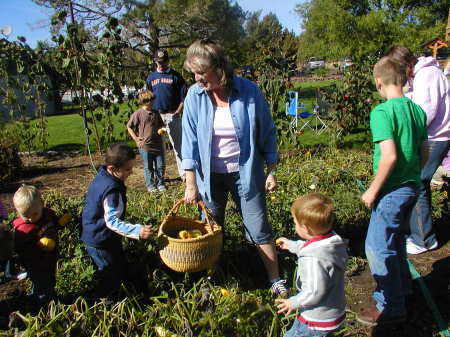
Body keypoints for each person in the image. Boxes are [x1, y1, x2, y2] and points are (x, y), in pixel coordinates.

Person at [182, 39, 287, 295]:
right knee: (210, 228)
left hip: (246, 173)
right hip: (210, 176)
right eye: (193, 72)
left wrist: (271, 170)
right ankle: (210, 278)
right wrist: (191, 183)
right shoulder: (195, 95)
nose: (196, 78)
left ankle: (275, 279)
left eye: (201, 72)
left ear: (219, 68)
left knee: (258, 225)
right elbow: (190, 140)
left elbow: (267, 132)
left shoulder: (249, 91)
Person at [357, 57, 428, 326]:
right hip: (412, 187)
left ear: (379, 82)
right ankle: (404, 289)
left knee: (376, 247)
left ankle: (390, 305)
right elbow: (424, 151)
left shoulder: (382, 113)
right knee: (396, 241)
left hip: (391, 192)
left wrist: (373, 191)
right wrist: (414, 176)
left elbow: (389, 157)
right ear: (404, 79)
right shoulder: (417, 110)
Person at [385, 46, 450, 254]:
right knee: (416, 182)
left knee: (418, 183)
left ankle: (423, 239)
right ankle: (415, 231)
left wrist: (405, 132)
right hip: (429, 136)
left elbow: (424, 112)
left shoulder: (428, 75)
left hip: (434, 137)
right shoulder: (421, 75)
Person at [81, 143, 155, 298]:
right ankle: (106, 301)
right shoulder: (112, 190)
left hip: (100, 234)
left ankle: (125, 287)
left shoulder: (103, 176)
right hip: (100, 240)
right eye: (127, 169)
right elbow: (112, 222)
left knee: (118, 265)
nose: (131, 172)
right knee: (109, 275)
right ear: (112, 169)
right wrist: (138, 231)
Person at [275, 193, 348, 337]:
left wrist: (294, 302)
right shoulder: (332, 242)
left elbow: (314, 291)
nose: (294, 225)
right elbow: (313, 245)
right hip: (333, 311)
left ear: (306, 229)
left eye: (295, 223)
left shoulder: (313, 260)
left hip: (315, 320)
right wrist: (292, 245)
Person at [12, 185, 59, 304]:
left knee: (49, 279)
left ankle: (37, 296)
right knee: (43, 284)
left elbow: (53, 223)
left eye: (34, 214)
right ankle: (46, 303)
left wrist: (60, 223)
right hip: (36, 264)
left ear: (42, 204)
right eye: (25, 216)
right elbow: (22, 251)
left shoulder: (47, 214)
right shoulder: (23, 230)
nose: (31, 219)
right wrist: (38, 246)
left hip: (49, 259)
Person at [146, 49, 187, 181]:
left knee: (178, 146)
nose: (161, 65)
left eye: (163, 62)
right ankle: (159, 177)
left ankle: (184, 174)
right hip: (156, 117)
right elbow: (147, 97)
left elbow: (184, 96)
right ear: (155, 62)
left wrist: (178, 111)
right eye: (158, 62)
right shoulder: (151, 78)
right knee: (157, 148)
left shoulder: (175, 76)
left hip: (172, 115)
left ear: (168, 61)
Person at [127, 90, 166, 192]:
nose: (152, 102)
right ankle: (150, 185)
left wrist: (162, 130)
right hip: (145, 146)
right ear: (144, 101)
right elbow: (129, 126)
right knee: (148, 167)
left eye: (152, 100)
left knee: (160, 165)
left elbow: (161, 125)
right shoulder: (138, 114)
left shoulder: (156, 113)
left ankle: (160, 183)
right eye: (149, 100)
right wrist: (136, 138)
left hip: (157, 144)